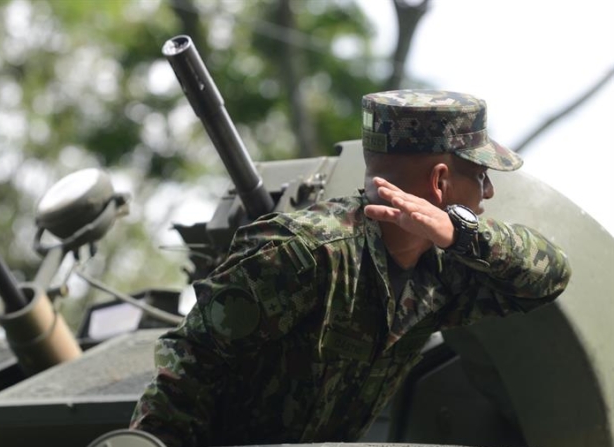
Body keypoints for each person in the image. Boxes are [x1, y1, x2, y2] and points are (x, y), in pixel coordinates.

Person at [129, 89, 572, 446]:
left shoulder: (443, 269)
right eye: (479, 173)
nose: (489, 191)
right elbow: (188, 365)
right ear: (440, 181)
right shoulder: (304, 252)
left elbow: (550, 277)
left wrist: (464, 233)